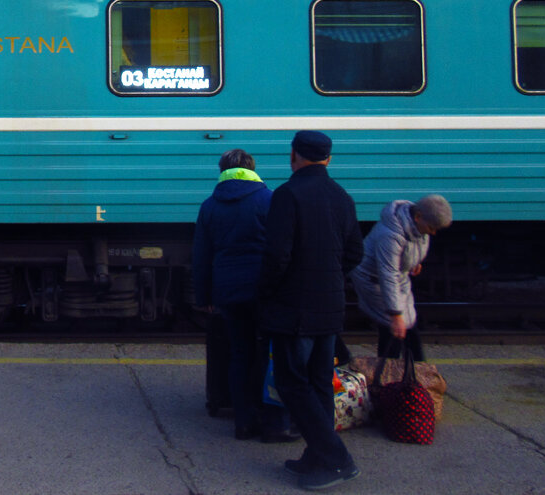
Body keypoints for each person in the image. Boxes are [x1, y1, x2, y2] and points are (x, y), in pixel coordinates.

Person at [258, 131, 363, 491]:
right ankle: (316, 454)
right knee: (319, 384)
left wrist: (267, 292)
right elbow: (354, 254)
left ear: (294, 156)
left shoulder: (288, 195)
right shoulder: (342, 197)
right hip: (330, 306)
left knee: (292, 383)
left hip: (295, 307)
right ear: (328, 159)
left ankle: (337, 460)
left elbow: (276, 256)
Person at [193, 148, 296, 444]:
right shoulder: (269, 199)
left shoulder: (210, 206)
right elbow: (281, 248)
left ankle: (242, 421)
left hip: (228, 291)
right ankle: (268, 418)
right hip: (264, 289)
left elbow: (201, 255)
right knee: (265, 352)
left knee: (239, 354)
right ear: (252, 168)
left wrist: (205, 295)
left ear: (221, 170)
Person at [350, 195, 452, 362]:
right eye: (431, 227)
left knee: (407, 325)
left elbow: (414, 246)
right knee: (395, 327)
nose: (433, 233)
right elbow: (387, 274)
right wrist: (395, 314)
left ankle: (411, 373)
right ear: (418, 216)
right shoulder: (390, 235)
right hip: (372, 279)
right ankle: (395, 375)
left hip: (397, 276)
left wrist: (414, 261)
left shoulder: (416, 225)